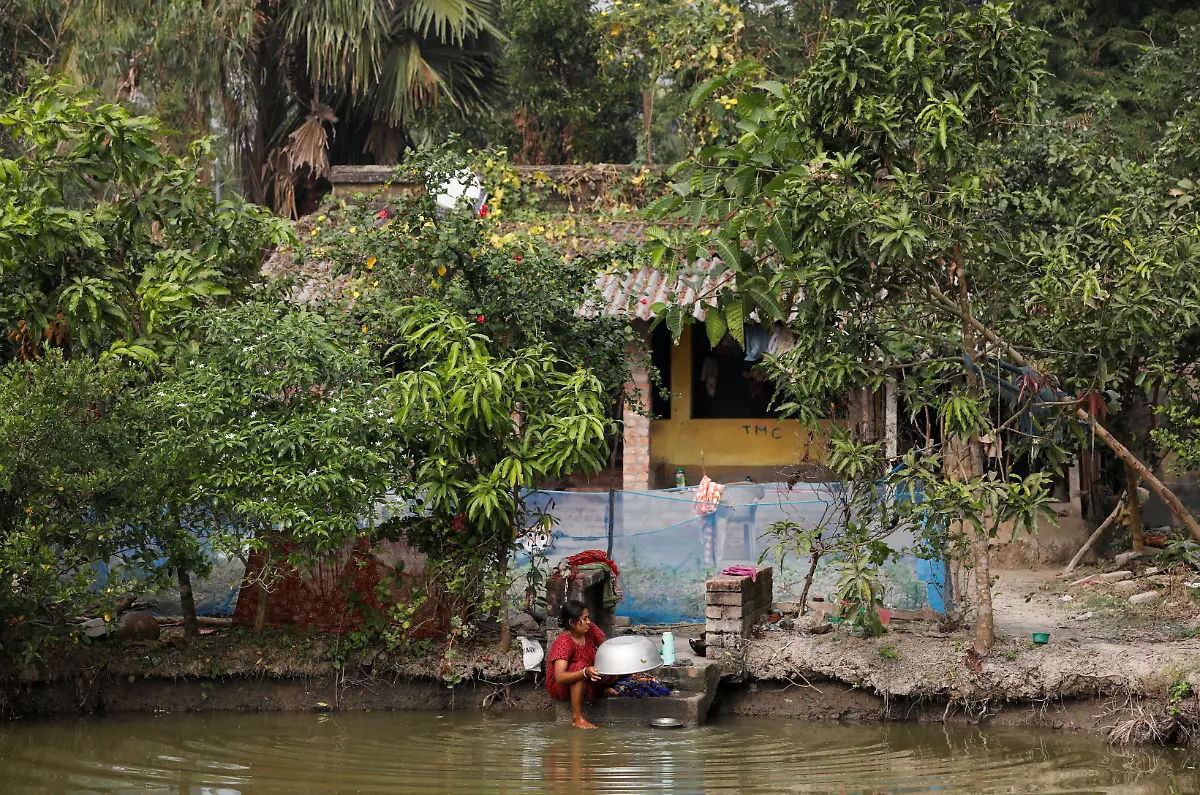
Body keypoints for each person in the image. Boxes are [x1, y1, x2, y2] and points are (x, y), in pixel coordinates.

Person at [546, 600, 615, 729]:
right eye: (584, 618)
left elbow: (606, 648)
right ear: (572, 622)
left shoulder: (590, 629)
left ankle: (599, 690)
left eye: (588, 617)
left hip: (587, 676)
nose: (588, 622)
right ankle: (577, 718)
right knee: (580, 667)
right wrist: (585, 672)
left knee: (615, 667)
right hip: (562, 686)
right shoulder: (564, 643)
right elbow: (560, 677)